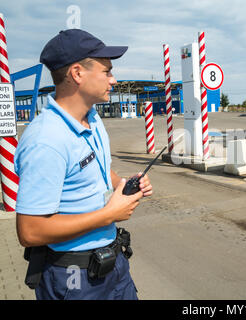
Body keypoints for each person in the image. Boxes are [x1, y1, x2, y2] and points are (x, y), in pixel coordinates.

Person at [14, 29, 152, 300]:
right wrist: (109, 215)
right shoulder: (46, 140)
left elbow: (98, 170)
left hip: (114, 266)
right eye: (107, 71)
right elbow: (30, 231)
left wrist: (124, 185)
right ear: (77, 73)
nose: (114, 79)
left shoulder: (92, 118)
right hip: (74, 280)